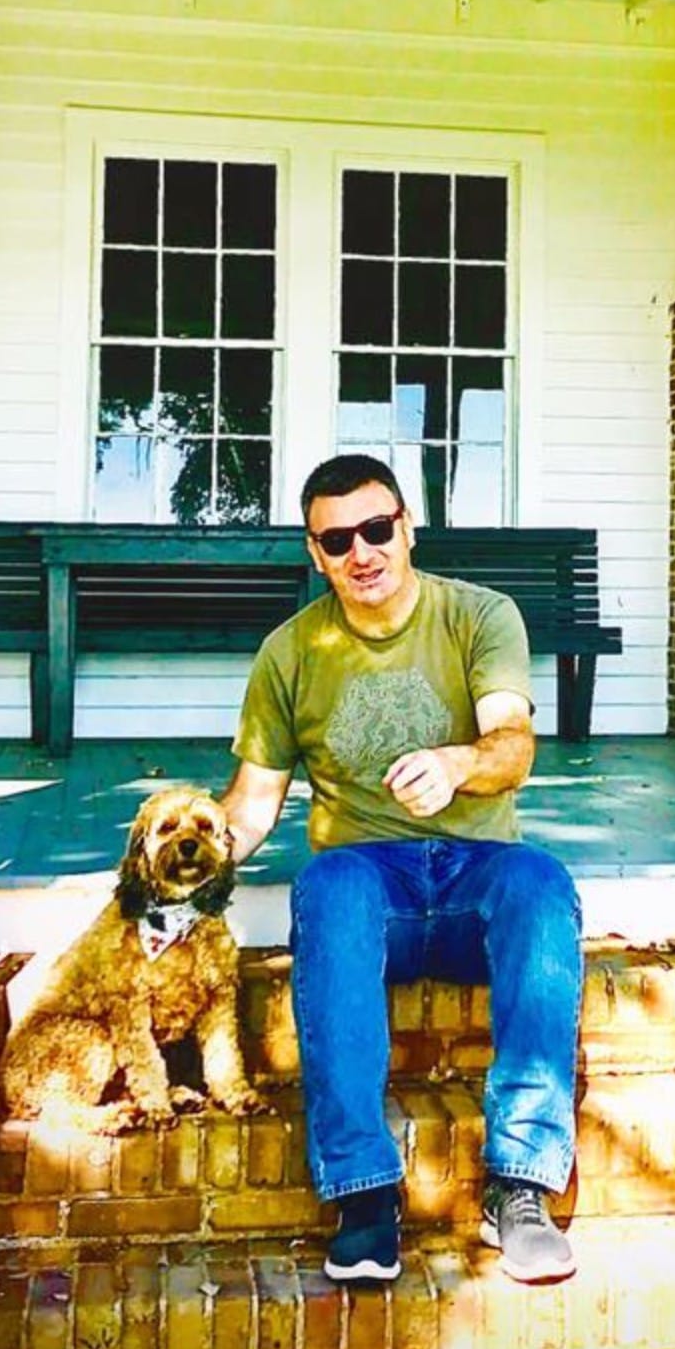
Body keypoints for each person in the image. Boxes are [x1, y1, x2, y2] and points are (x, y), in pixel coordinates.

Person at [221, 453, 583, 1286]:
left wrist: (458, 764)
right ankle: (363, 1194)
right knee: (327, 886)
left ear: (407, 528)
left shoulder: (479, 615)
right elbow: (251, 805)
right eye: (337, 539)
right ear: (315, 554)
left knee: (540, 882)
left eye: (377, 529)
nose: (362, 552)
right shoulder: (289, 651)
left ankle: (522, 1185)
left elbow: (513, 747)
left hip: (474, 879)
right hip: (366, 889)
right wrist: (167, 884)